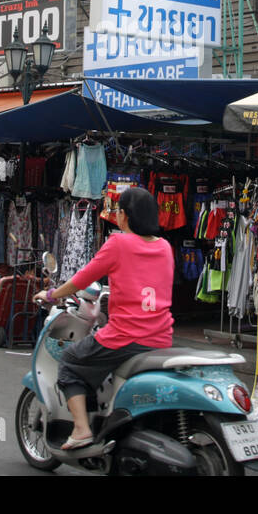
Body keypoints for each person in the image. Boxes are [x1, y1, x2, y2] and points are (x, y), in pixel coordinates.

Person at [33, 186, 174, 450]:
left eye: (118, 212)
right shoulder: (165, 247)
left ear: (123, 216)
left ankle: (82, 429)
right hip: (162, 338)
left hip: (126, 337)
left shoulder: (118, 243)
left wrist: (52, 294)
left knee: (71, 362)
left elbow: (82, 278)